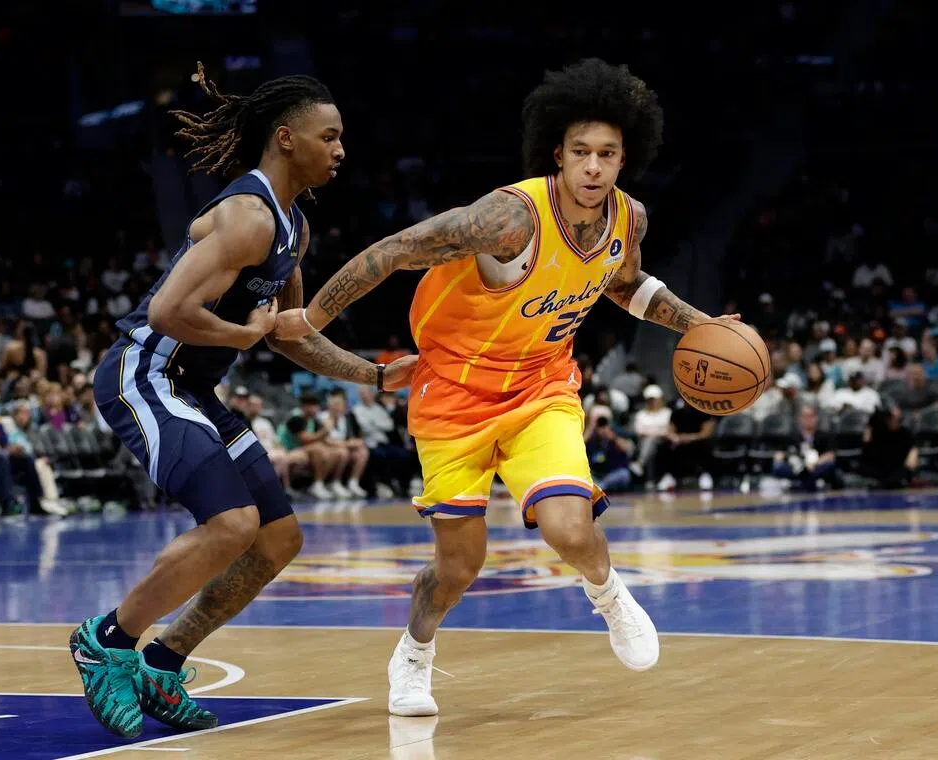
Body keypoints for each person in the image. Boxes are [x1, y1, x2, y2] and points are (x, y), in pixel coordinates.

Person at [274, 58, 740, 716]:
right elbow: (396, 249)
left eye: (607, 154)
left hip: (539, 390)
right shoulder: (509, 218)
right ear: (559, 152)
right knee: (458, 567)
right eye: (580, 151)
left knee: (570, 529)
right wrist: (313, 317)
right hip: (452, 397)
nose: (593, 167)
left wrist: (702, 325)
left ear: (623, 158)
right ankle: (414, 652)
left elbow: (626, 285)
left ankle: (609, 596)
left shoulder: (628, 220)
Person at [72, 63, 417, 738]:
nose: (341, 150)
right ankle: (107, 641)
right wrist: (242, 331)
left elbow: (290, 337)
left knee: (278, 538)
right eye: (330, 136)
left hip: (193, 389)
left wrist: (374, 377)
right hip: (144, 374)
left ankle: (163, 663)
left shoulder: (294, 229)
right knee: (231, 524)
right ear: (287, 139)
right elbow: (171, 311)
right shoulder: (245, 217)